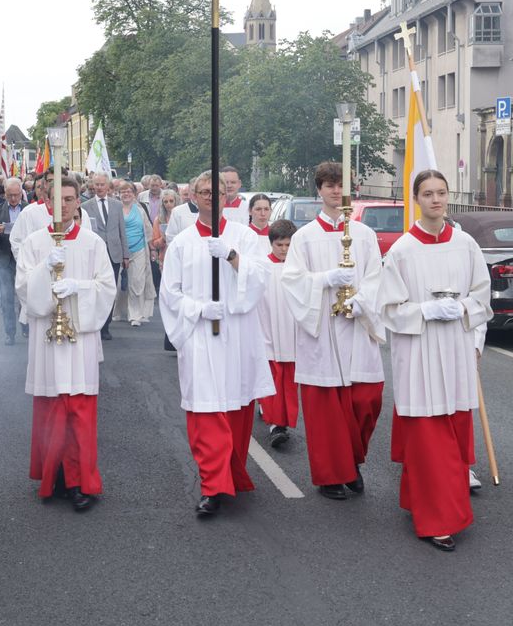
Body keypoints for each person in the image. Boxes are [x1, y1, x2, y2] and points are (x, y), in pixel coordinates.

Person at [376, 169, 492, 552]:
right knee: (428, 440)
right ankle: (437, 519)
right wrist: (426, 310)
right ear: (417, 199)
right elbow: (389, 309)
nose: (436, 200)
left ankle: (421, 499)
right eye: (428, 193)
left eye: (441, 192)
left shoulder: (466, 245)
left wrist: (459, 307)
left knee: (454, 434)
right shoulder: (401, 251)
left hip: (455, 351)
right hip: (420, 353)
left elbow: (482, 296)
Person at [159, 170, 274, 518]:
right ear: (193, 197)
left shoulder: (243, 236)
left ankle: (232, 473)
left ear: (227, 197)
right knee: (207, 411)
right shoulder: (181, 243)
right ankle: (212, 485)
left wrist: (232, 256)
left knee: (236, 410)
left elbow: (261, 277)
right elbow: (169, 294)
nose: (211, 197)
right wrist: (198, 309)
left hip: (237, 334)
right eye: (204, 191)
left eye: (217, 192)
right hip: (200, 336)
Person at [281, 161, 385, 501]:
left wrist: (360, 302)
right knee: (327, 410)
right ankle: (331, 475)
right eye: (330, 185)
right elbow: (293, 281)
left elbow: (376, 278)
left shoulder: (365, 235)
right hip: (323, 330)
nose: (336, 191)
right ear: (319, 190)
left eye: (341, 185)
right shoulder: (305, 237)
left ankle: (352, 461)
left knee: (366, 400)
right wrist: (326, 280)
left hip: (356, 326)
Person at [16, 176, 116, 511]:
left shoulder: (92, 243)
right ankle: (53, 477)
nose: (64, 205)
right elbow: (23, 291)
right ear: (47, 201)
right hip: (47, 338)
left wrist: (78, 287)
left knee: (78, 412)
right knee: (51, 412)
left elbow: (107, 287)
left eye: (70, 199)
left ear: (77, 202)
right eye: (58, 199)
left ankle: (81, 482)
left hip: (80, 341)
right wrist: (44, 272)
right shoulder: (33, 243)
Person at [257, 219, 299, 448]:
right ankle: (275, 425)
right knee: (273, 379)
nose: (284, 250)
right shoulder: (263, 267)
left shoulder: (299, 268)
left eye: (288, 245)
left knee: (289, 382)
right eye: (279, 245)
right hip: (269, 330)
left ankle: (283, 421)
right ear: (271, 243)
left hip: (292, 333)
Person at [81, 172, 129, 341]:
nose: (100, 187)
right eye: (97, 185)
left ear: (108, 187)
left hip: (115, 253)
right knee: (96, 289)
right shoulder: (86, 206)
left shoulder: (117, 205)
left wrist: (125, 255)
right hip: (96, 253)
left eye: (103, 184)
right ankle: (96, 323)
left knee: (110, 290)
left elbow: (122, 230)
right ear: (92, 186)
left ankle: (106, 326)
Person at [114, 181, 156, 327]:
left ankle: (135, 315)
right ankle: (118, 311)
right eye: (123, 191)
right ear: (118, 194)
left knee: (137, 282)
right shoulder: (115, 209)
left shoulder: (140, 209)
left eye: (129, 191)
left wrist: (152, 249)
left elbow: (148, 229)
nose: (126, 194)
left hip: (138, 249)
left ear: (134, 194)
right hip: (119, 251)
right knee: (119, 285)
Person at [0, 177, 26, 345]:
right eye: (10, 195)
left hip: (25, 260)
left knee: (25, 296)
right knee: (7, 298)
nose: (13, 199)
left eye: (16, 195)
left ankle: (25, 326)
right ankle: (10, 333)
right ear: (4, 194)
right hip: (5, 260)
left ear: (21, 193)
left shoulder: (28, 209)